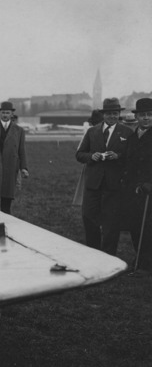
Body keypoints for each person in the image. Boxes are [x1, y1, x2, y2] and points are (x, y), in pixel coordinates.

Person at [75, 97, 132, 255]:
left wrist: (118, 156)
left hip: (114, 185)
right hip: (93, 184)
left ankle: (109, 255)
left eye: (115, 113)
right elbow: (79, 154)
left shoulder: (127, 132)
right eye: (109, 114)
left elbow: (131, 157)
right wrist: (91, 157)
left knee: (111, 222)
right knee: (89, 217)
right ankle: (94, 253)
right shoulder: (92, 131)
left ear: (119, 114)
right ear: (103, 115)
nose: (112, 117)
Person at [0, 101, 29, 214]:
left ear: (12, 114)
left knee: (6, 202)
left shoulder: (19, 131)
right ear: (0, 113)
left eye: (7, 113)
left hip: (10, 167)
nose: (5, 115)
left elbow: (21, 151)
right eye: (3, 112)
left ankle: (5, 223)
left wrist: (24, 168)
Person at [122, 97, 152, 271]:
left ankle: (147, 262)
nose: (146, 118)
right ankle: (141, 258)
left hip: (149, 190)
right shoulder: (133, 137)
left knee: (148, 226)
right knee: (135, 225)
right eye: (142, 115)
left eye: (149, 114)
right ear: (137, 117)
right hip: (133, 190)